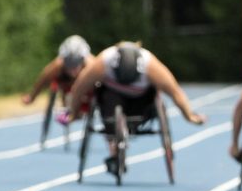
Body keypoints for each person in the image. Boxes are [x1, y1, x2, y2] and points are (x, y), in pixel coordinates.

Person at [64, 41, 206, 174]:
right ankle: (114, 145)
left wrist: (189, 116)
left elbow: (175, 92)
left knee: (154, 94)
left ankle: (123, 130)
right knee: (103, 95)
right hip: (111, 98)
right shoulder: (103, 62)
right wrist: (74, 113)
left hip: (141, 101)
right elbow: (79, 89)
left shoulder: (151, 65)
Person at [21, 35, 92, 108]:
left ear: (83, 59)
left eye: (76, 63)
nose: (72, 68)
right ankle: (66, 101)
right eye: (69, 63)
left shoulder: (90, 64)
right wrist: (32, 96)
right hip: (66, 81)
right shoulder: (58, 65)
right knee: (54, 76)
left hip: (84, 82)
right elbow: (43, 80)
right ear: (64, 60)